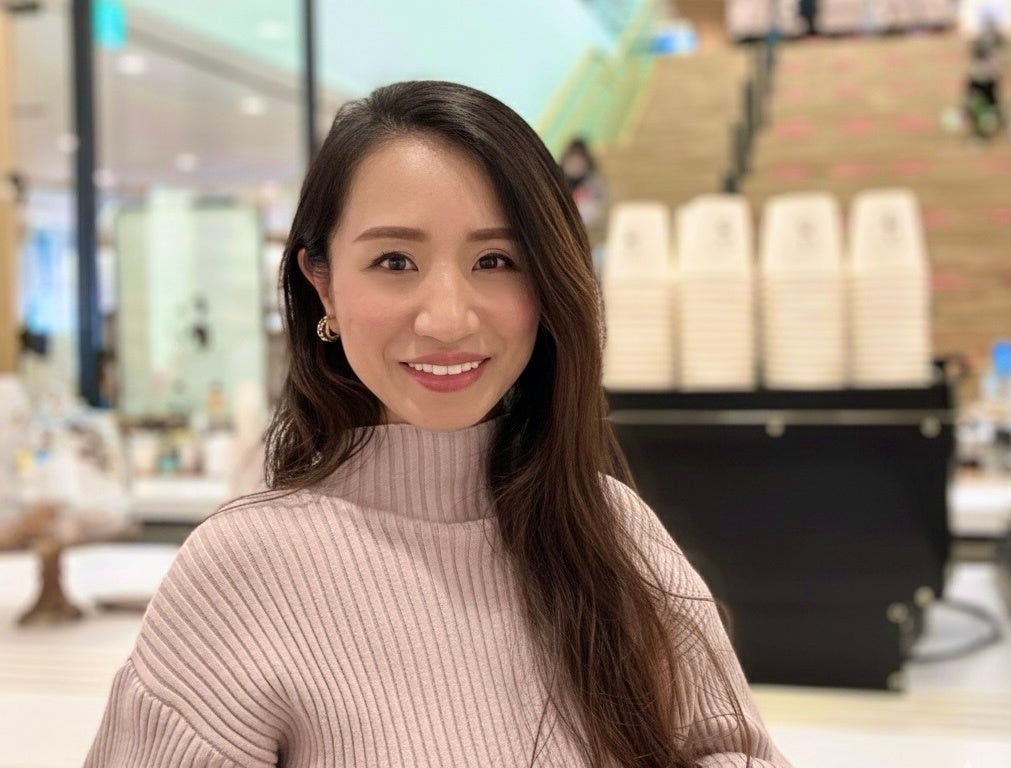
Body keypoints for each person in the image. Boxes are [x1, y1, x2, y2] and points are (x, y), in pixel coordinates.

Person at [84, 81, 790, 767]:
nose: (448, 318)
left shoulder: (611, 528)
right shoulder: (243, 571)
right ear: (322, 284)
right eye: (394, 261)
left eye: (496, 260)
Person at [559, 136, 608, 251]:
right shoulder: (557, 182)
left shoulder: (593, 183)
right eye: (572, 156)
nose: (575, 162)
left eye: (579, 156)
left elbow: (596, 213)